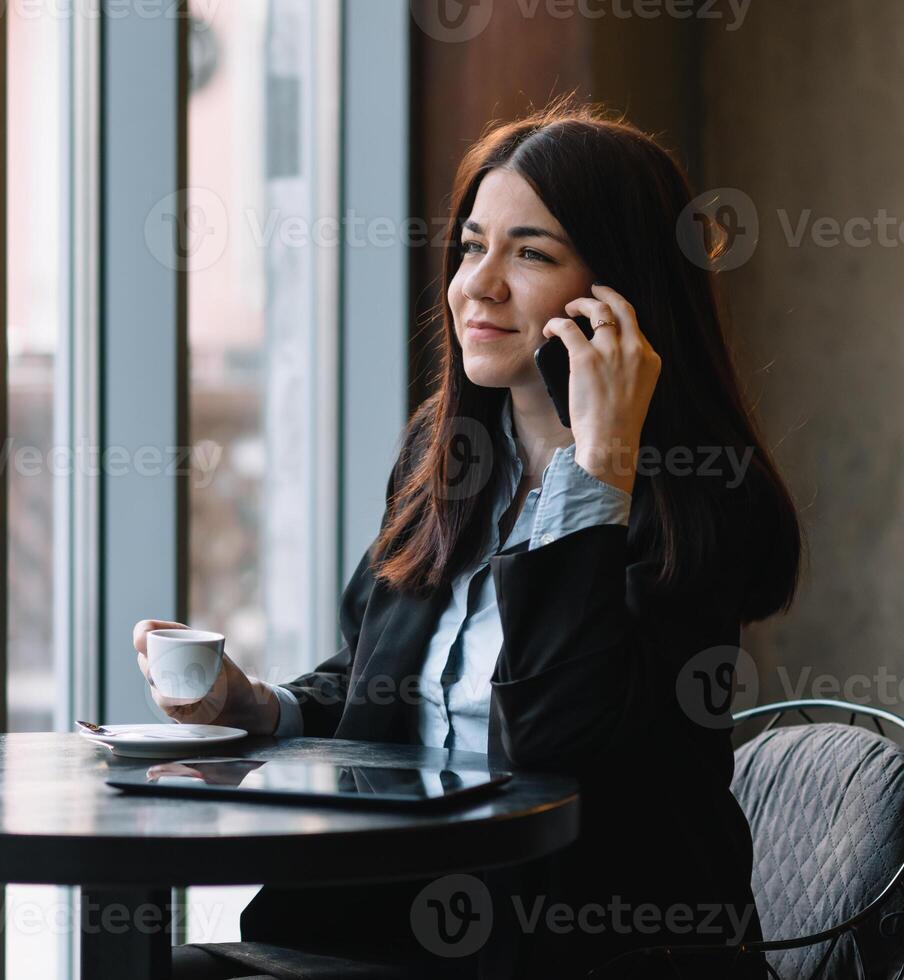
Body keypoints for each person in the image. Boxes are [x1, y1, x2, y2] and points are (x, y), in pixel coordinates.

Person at [135, 100, 803, 980]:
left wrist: (597, 469)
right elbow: (388, 684)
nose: (477, 284)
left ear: (619, 290)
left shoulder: (700, 493)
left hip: (581, 945)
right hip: (396, 916)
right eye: (472, 245)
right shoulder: (445, 453)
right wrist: (259, 707)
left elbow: (561, 744)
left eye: (530, 253)